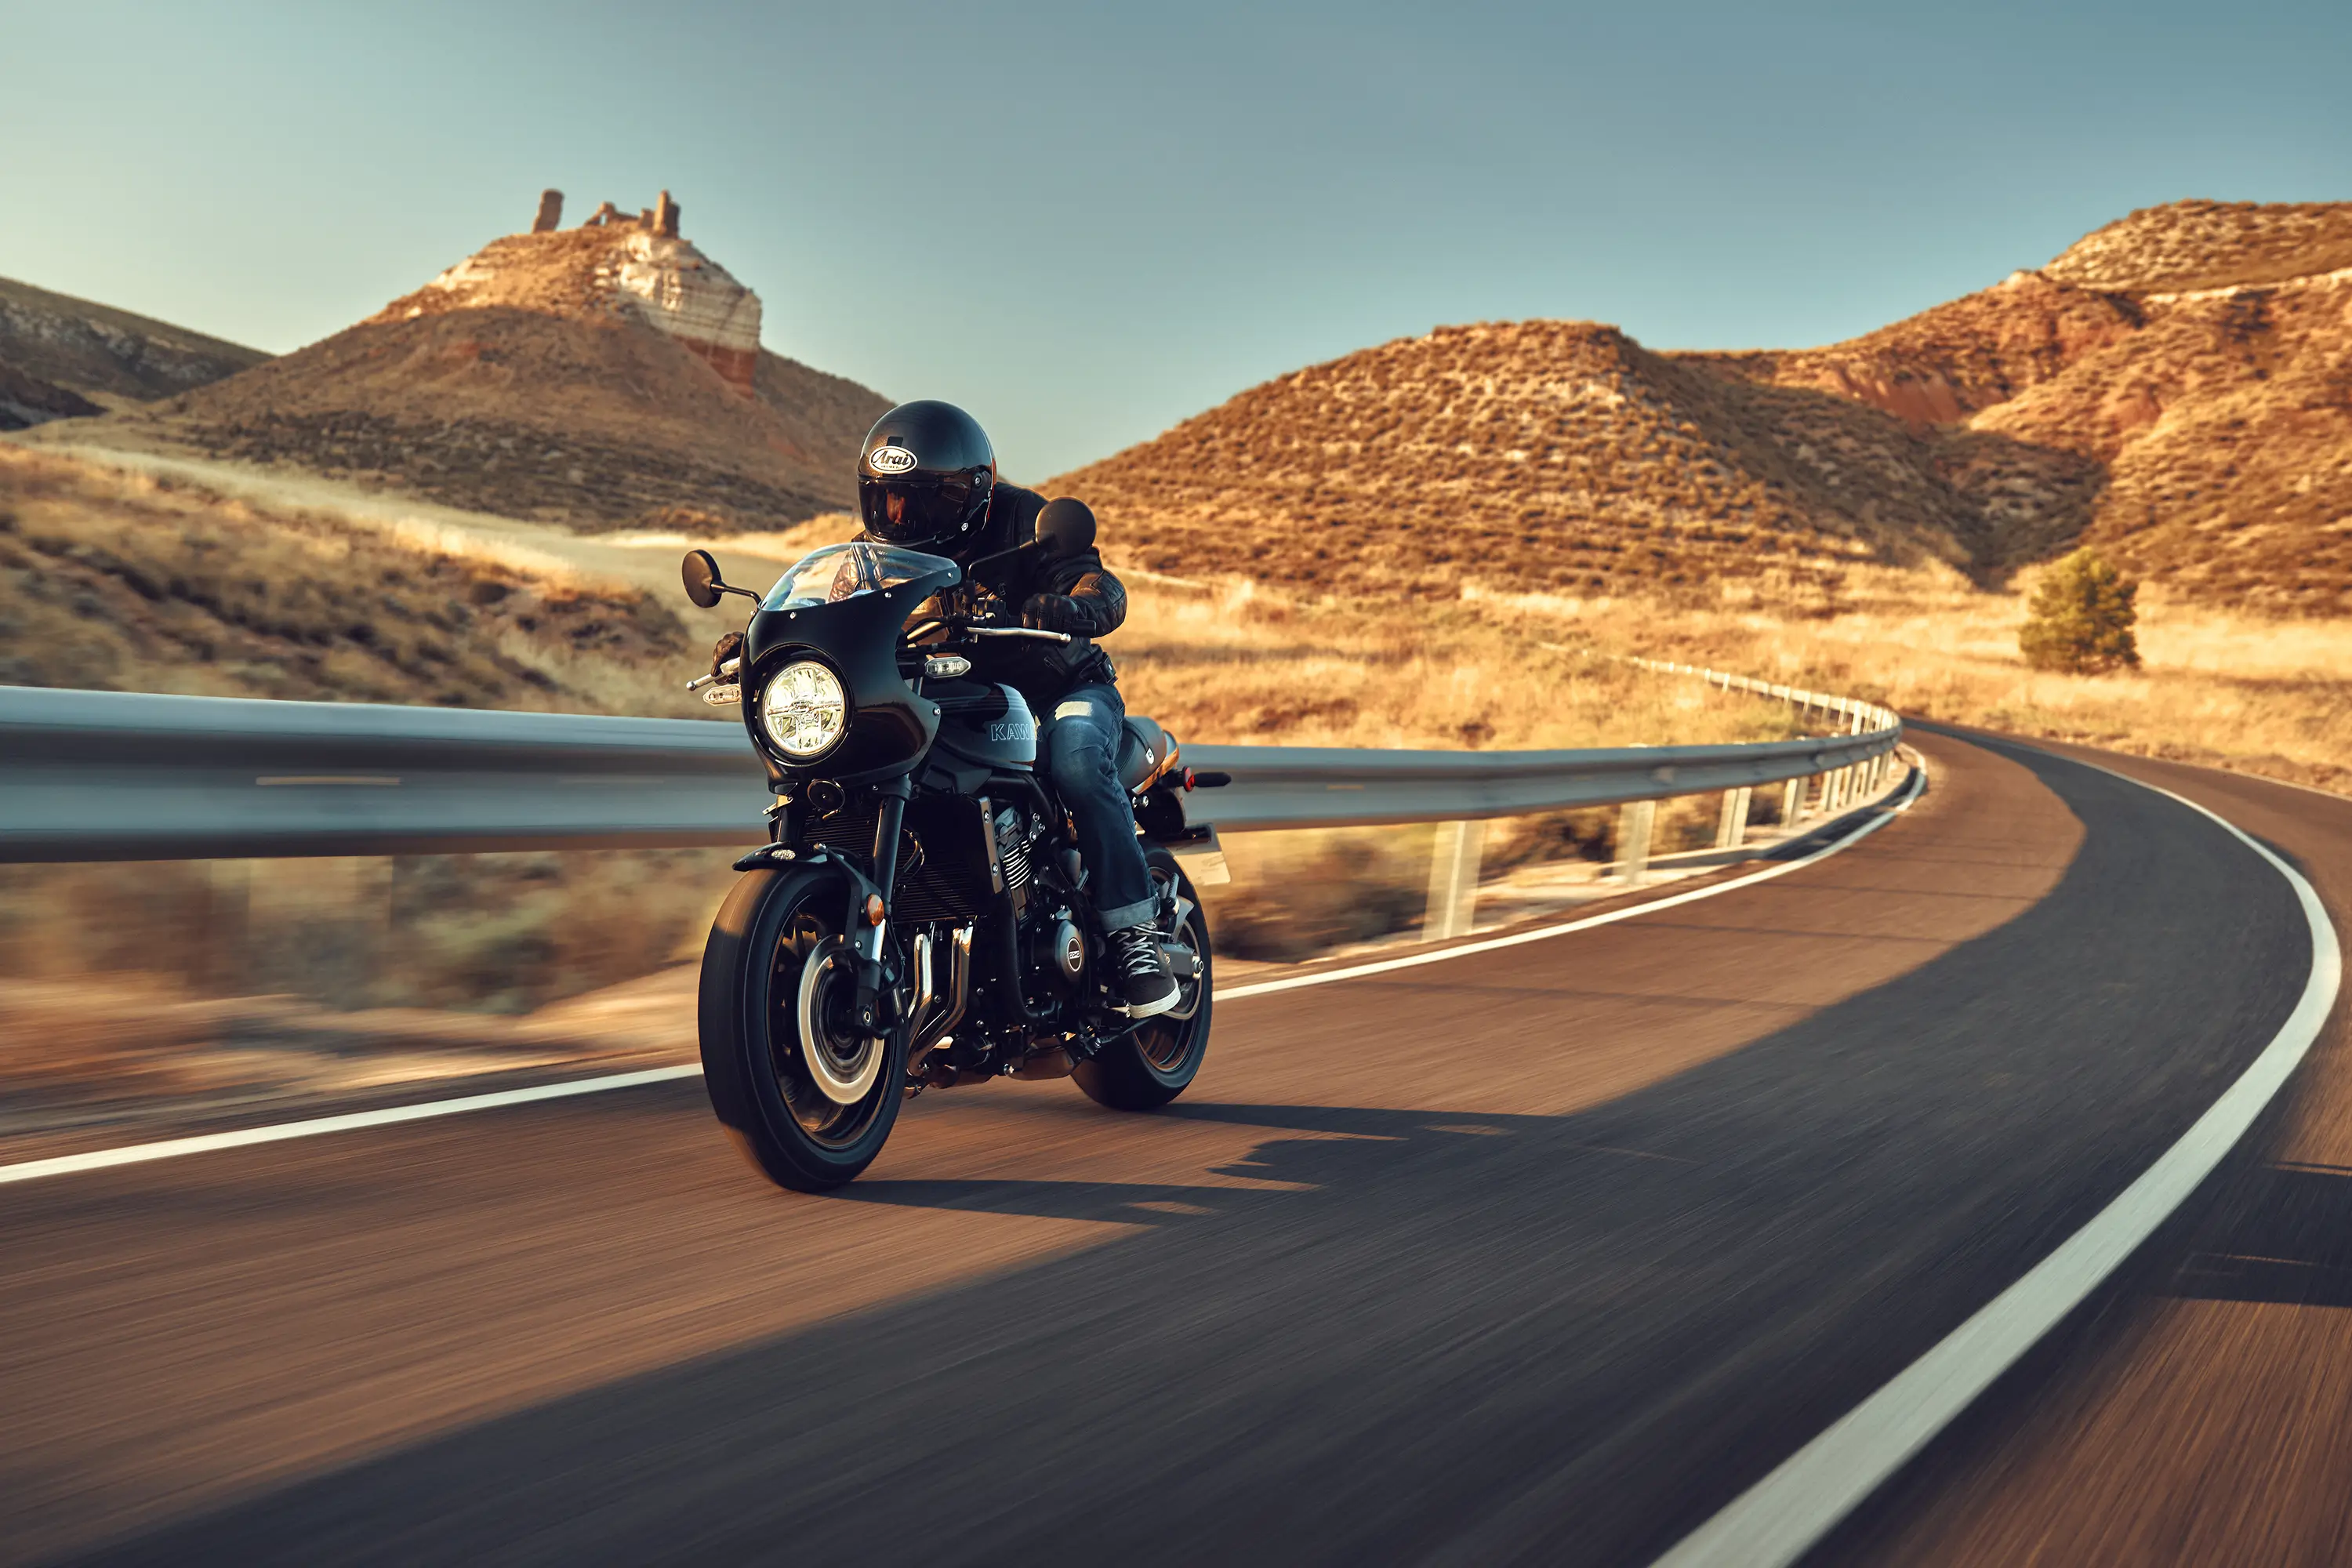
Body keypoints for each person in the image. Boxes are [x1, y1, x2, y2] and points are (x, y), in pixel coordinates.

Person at [854, 399, 1179, 1018]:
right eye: (887, 499)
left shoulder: (1025, 520)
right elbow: (840, 607)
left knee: (1079, 762)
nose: (900, 516)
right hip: (956, 699)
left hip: (1060, 691)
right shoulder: (872, 556)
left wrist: (1061, 608)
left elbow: (1099, 588)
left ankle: (1136, 940)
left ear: (967, 494)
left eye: (918, 499)